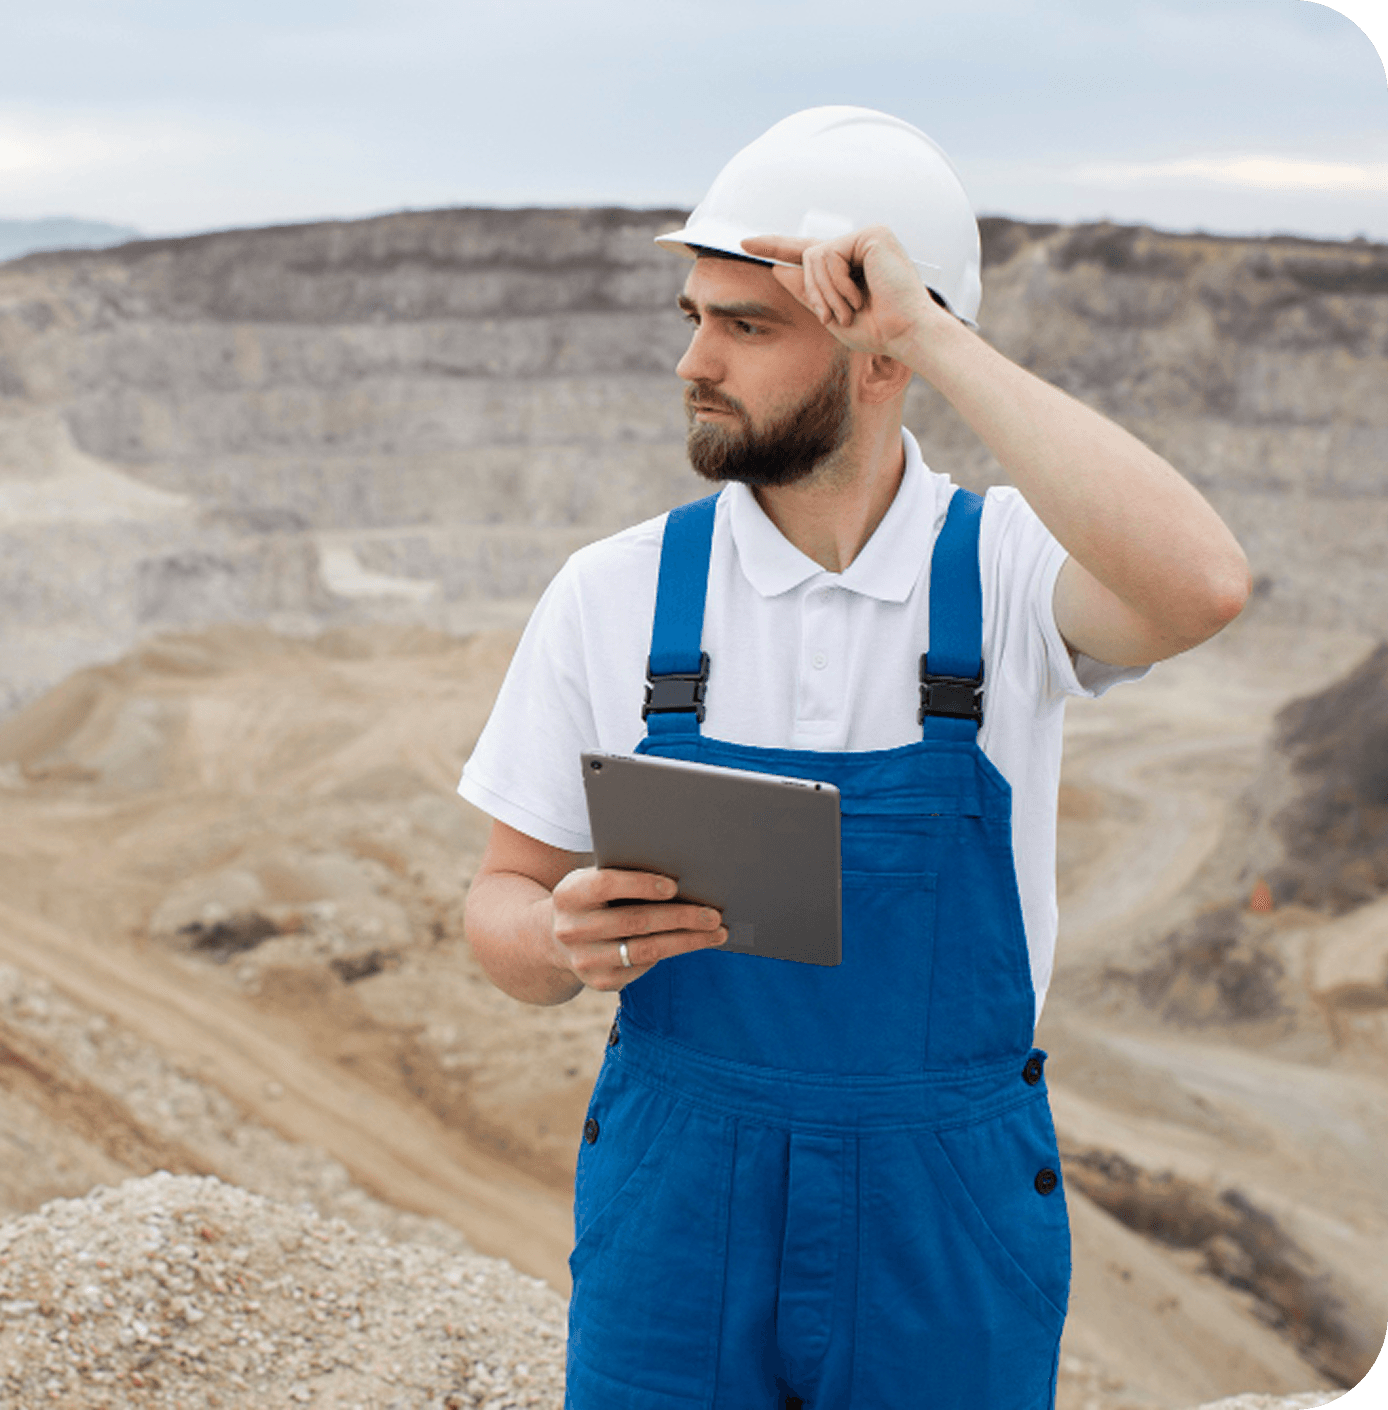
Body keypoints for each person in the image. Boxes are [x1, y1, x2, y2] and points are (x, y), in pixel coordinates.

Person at [457, 107, 1250, 1410]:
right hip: (676, 1201)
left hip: (938, 1216)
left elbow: (1202, 586)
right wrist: (552, 940)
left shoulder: (1002, 579)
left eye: (746, 325)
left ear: (877, 353)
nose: (693, 361)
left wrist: (937, 336)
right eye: (693, 315)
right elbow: (497, 896)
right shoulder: (613, 595)